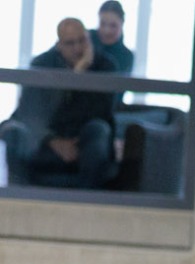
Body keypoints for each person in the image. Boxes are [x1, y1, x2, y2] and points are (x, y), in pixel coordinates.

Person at [1, 19, 117, 189]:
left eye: (82, 40)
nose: (78, 48)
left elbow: (100, 112)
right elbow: (31, 112)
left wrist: (79, 75)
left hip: (82, 140)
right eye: (70, 43)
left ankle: (87, 199)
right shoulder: (40, 65)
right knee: (13, 132)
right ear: (59, 45)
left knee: (99, 129)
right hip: (46, 140)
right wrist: (53, 141)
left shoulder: (105, 66)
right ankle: (20, 199)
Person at [92, 2, 132, 74]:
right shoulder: (84, 41)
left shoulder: (127, 56)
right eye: (102, 24)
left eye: (113, 25)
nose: (107, 31)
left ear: (122, 24)